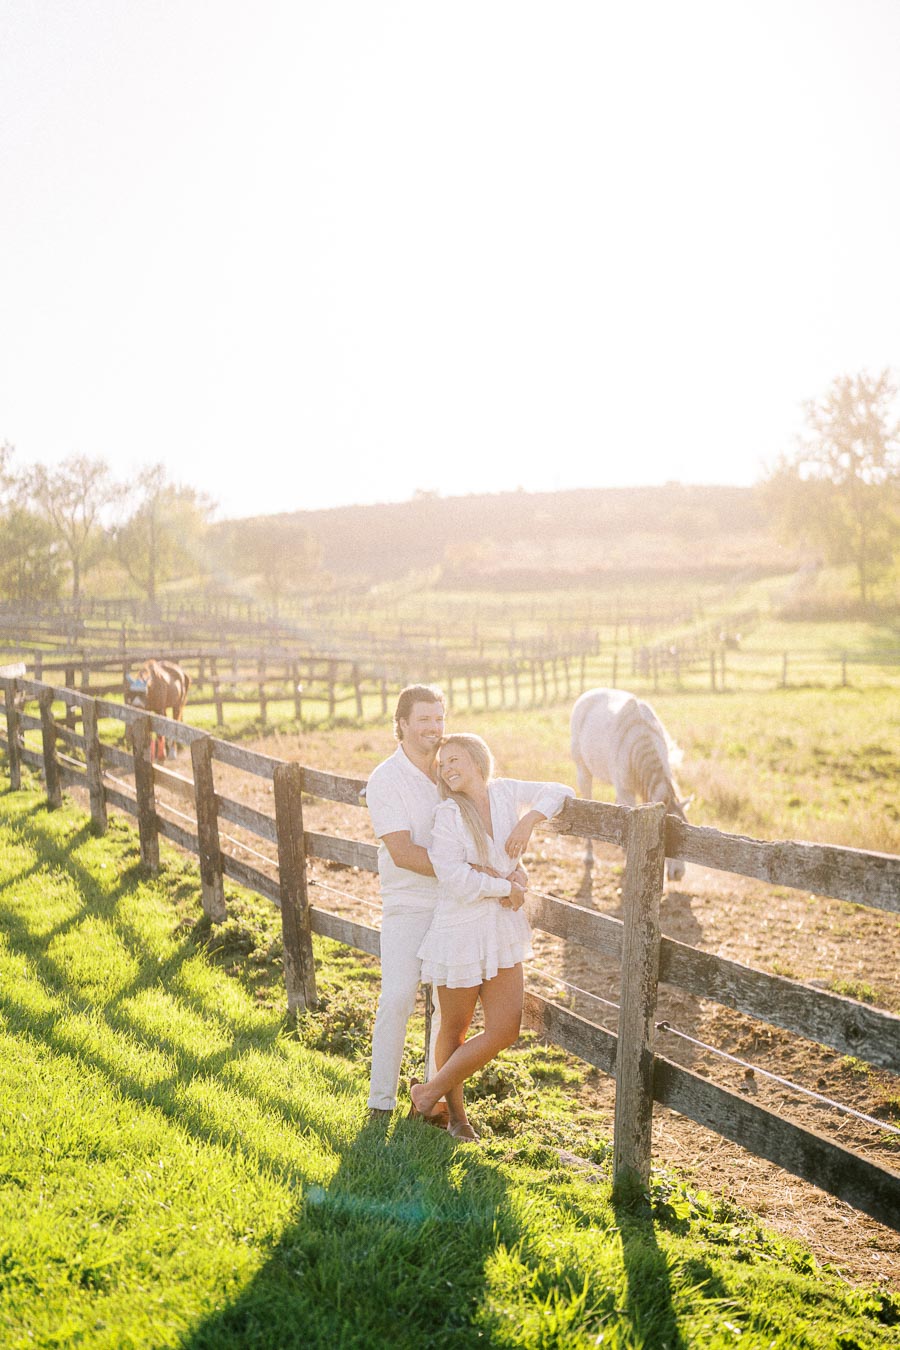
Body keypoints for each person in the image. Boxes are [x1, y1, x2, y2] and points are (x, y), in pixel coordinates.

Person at [410, 733, 574, 1141]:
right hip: (461, 931)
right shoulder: (448, 815)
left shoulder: (504, 794)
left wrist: (529, 820)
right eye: (442, 764)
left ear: (478, 760)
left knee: (505, 1029)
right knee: (454, 1028)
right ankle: (457, 1119)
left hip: (500, 930)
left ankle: (427, 1091)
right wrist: (507, 886)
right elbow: (454, 879)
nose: (447, 768)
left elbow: (559, 790)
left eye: (455, 759)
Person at [365, 683, 450, 1120]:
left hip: (452, 907)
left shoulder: (452, 772)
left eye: (438, 718)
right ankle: (381, 1102)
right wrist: (462, 870)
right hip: (406, 905)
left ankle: (430, 1101)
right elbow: (402, 851)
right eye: (424, 720)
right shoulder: (385, 778)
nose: (433, 728)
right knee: (397, 997)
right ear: (401, 725)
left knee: (446, 1006)